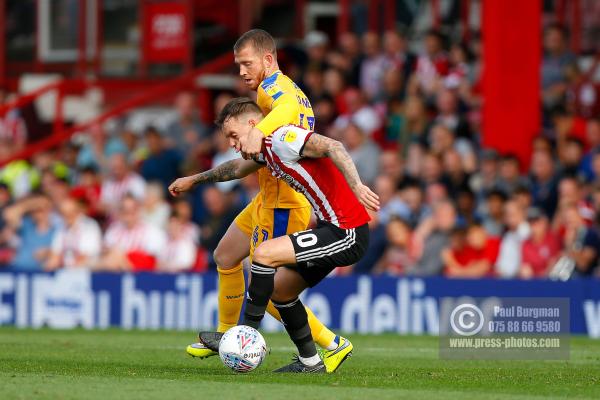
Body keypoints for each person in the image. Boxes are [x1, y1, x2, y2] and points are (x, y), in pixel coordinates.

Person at [169, 97, 379, 372]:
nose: (231, 144)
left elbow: (333, 145)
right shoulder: (264, 150)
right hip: (330, 227)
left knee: (264, 256)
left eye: (234, 136)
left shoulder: (282, 138)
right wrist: (193, 180)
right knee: (279, 291)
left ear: (255, 125)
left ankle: (245, 334)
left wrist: (358, 186)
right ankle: (311, 361)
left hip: (347, 232)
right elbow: (235, 168)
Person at [180, 29, 348, 373]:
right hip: (265, 198)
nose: (241, 71)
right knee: (225, 256)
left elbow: (283, 111)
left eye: (246, 63)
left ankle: (332, 343)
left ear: (268, 60)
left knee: (269, 288)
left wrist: (257, 130)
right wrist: (196, 179)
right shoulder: (285, 93)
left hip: (284, 204)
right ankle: (226, 333)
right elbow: (250, 162)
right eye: (237, 64)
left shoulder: (273, 89)